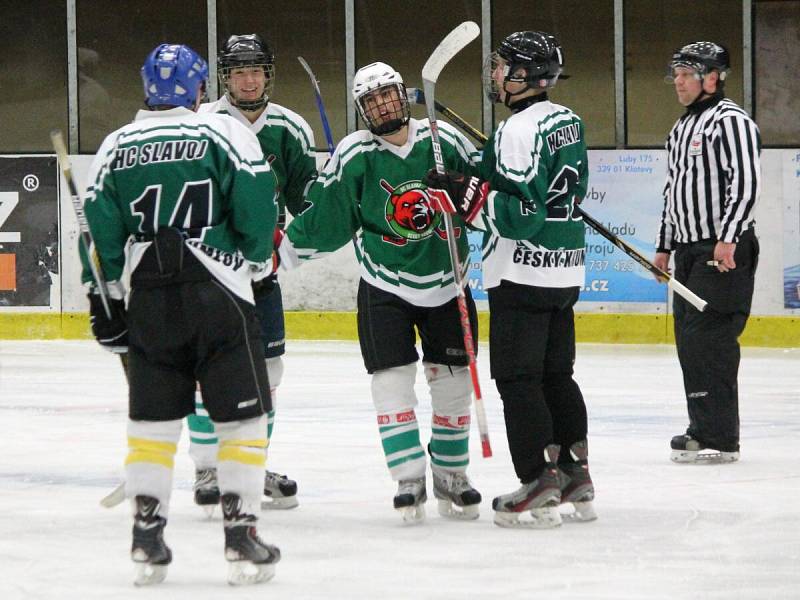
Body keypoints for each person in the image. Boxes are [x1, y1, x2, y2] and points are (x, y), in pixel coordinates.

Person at [81, 43, 280, 585]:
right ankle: (241, 533)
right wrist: (255, 259)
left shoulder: (116, 144)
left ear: (146, 86)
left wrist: (105, 298)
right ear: (197, 89)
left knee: (151, 423)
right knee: (242, 420)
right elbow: (258, 207)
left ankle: (147, 534)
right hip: (219, 294)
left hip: (150, 300)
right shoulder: (222, 132)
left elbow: (100, 235)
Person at [277, 61, 482, 523]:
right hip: (384, 285)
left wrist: (467, 194)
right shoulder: (355, 154)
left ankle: (452, 473)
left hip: (448, 279)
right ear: (362, 109)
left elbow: (482, 190)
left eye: (387, 95)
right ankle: (409, 478)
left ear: (401, 96)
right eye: (371, 101)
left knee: (453, 385)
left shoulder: (444, 140)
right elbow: (328, 214)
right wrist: (282, 254)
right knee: (391, 383)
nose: (382, 105)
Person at [425, 31, 596, 529]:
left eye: (502, 67)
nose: (495, 75)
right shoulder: (566, 120)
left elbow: (518, 213)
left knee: (518, 379)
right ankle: (573, 471)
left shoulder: (519, 130)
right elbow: (538, 185)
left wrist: (467, 196)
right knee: (555, 375)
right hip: (565, 270)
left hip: (522, 272)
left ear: (525, 76)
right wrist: (464, 176)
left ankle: (538, 480)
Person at [188, 33, 317, 511]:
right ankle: (206, 469)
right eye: (239, 71)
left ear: (268, 73)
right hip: (210, 272)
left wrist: (319, 212)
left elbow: (308, 203)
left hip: (263, 273)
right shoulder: (202, 124)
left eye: (256, 70)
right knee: (208, 371)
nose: (248, 79)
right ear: (225, 76)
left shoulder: (290, 128)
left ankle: (250, 463)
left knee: (268, 370)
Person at [655, 41, 761, 464]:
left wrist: (729, 236)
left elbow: (747, 183)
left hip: (723, 252)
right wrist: (664, 246)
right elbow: (673, 191)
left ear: (712, 77)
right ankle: (703, 428)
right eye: (676, 74)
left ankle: (720, 436)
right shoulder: (681, 129)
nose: (677, 81)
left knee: (709, 339)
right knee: (688, 340)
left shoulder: (731, 121)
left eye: (686, 73)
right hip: (689, 252)